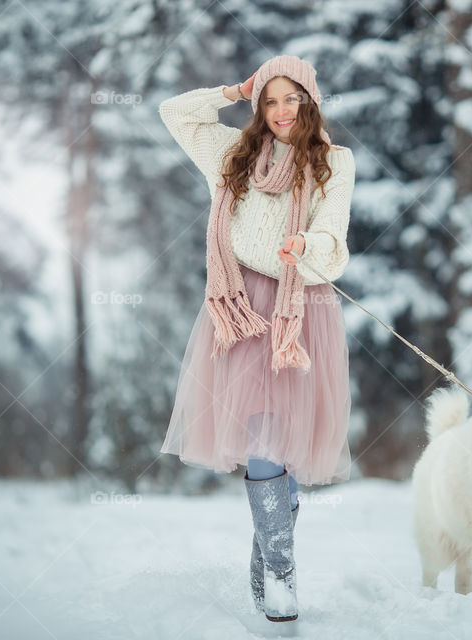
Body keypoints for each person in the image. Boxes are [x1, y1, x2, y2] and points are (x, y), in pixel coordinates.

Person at [157, 54, 356, 622]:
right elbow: (174, 113)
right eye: (269, 100)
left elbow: (332, 236)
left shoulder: (334, 162)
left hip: (302, 305)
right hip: (240, 308)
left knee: (280, 449)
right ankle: (281, 573)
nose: (280, 110)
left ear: (310, 100)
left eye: (291, 97)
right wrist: (231, 88)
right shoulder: (231, 156)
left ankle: (273, 572)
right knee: (263, 443)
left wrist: (307, 249)